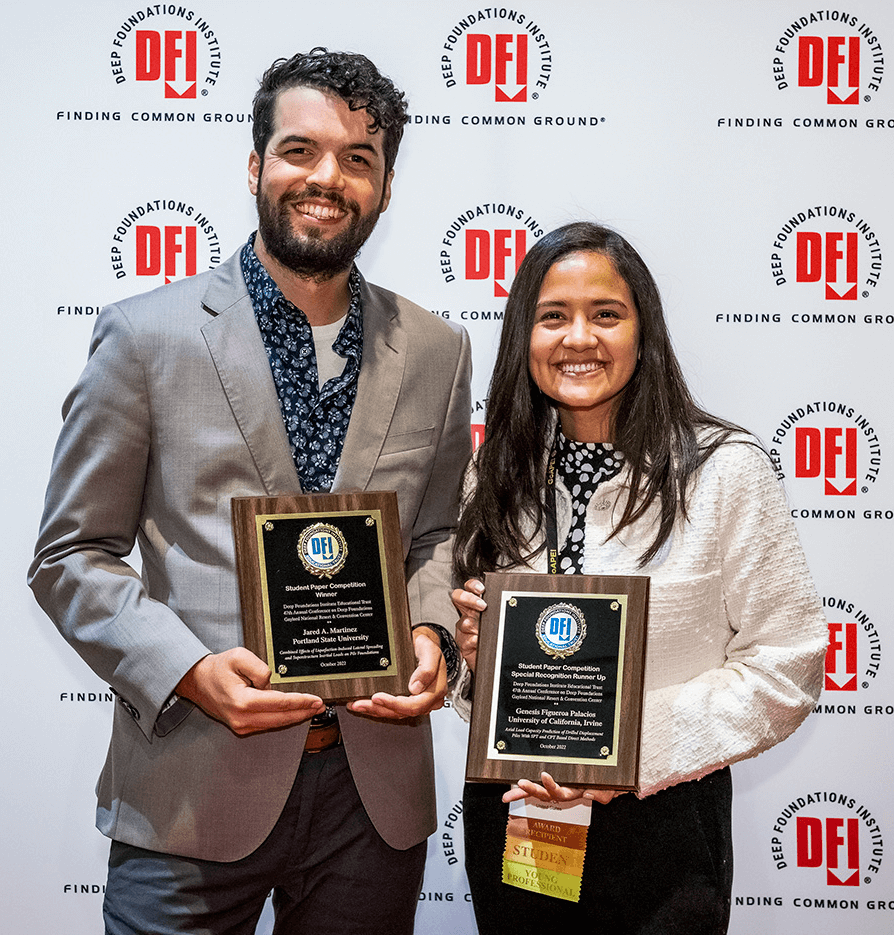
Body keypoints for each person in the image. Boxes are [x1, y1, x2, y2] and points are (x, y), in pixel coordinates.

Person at [29, 48, 471, 935]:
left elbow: (437, 534)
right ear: (254, 165)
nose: (327, 178)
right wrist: (187, 670)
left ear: (384, 188)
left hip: (370, 799)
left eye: (358, 158)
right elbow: (71, 555)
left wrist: (428, 633)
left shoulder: (438, 349)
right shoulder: (145, 337)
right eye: (300, 149)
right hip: (191, 789)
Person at [450, 221, 826, 934]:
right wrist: (479, 663)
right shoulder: (494, 472)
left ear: (643, 331)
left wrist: (626, 756)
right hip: (520, 820)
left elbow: (790, 664)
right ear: (522, 336)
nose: (578, 337)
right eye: (553, 316)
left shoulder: (724, 468)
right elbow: (489, 701)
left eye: (606, 314)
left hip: (664, 825)